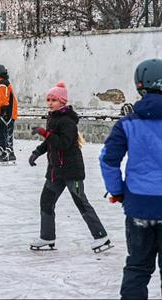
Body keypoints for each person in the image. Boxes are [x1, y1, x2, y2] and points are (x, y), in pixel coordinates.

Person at [99, 58, 162, 299]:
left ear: (139, 85)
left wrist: (117, 191)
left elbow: (108, 160)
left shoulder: (128, 123)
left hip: (139, 207)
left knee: (137, 267)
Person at [29, 81, 110, 252]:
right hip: (55, 171)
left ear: (62, 102)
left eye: (54, 100)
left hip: (71, 170)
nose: (50, 103)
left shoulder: (67, 122)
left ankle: (101, 236)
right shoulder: (53, 118)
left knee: (81, 202)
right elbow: (50, 142)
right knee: (46, 201)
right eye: (48, 99)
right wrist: (37, 152)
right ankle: (47, 236)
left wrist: (44, 133)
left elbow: (63, 144)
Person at [0, 64, 18, 165]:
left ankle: (10, 154)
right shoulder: (1, 83)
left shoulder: (3, 83)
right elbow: (2, 99)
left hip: (8, 112)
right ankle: (3, 152)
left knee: (7, 133)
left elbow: (5, 100)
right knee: (2, 132)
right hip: (5, 112)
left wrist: (4, 111)